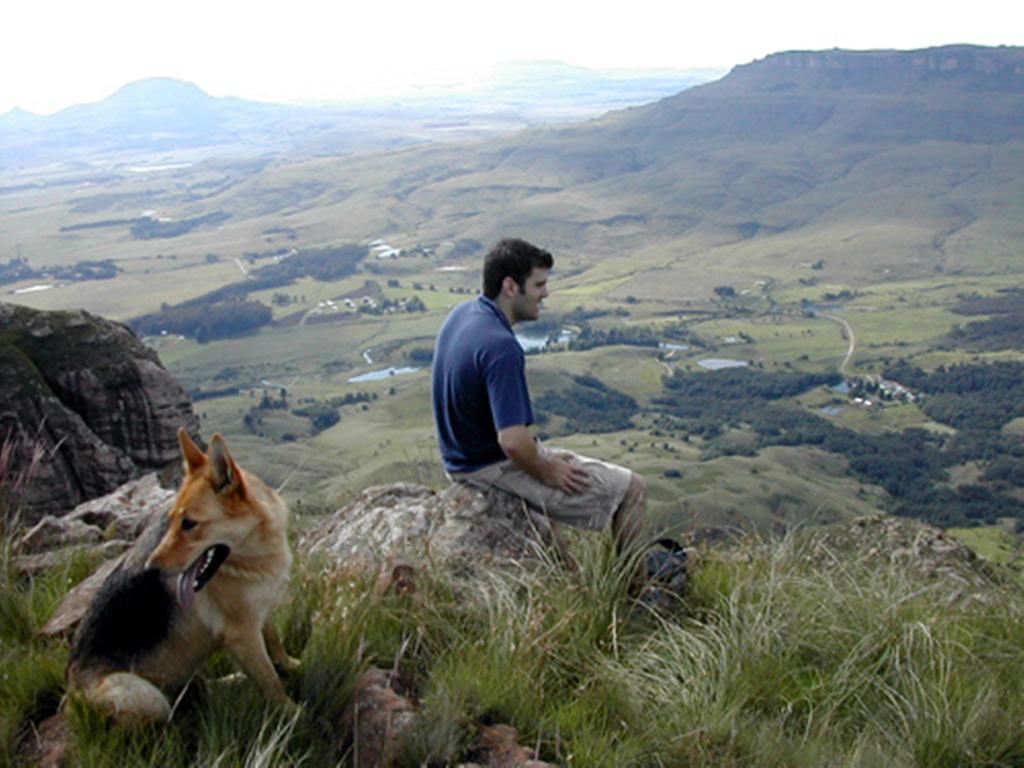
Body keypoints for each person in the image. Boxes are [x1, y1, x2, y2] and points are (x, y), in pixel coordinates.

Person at [431, 238, 648, 552]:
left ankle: (576, 583)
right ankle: (637, 595)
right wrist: (546, 468)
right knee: (633, 489)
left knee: (554, 543)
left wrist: (540, 455)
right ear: (510, 286)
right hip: (488, 467)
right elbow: (514, 443)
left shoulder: (462, 314)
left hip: (461, 458)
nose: (545, 293)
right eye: (538, 285)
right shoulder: (501, 347)